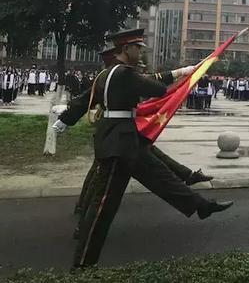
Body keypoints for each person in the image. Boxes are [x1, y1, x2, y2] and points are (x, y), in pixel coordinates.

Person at [61, 29, 232, 268]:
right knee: (103, 207)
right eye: (137, 48)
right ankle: (82, 265)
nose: (140, 53)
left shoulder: (105, 75)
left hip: (124, 140)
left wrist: (64, 120)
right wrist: (182, 76)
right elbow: (157, 88)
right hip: (117, 145)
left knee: (162, 177)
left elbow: (83, 100)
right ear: (126, 49)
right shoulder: (124, 74)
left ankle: (200, 206)